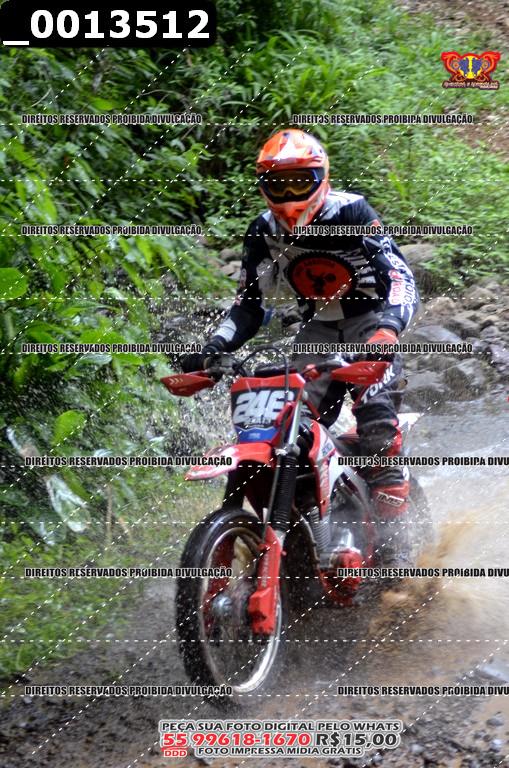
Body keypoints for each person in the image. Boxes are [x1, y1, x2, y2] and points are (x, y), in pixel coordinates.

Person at [180, 129, 419, 567]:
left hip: (370, 327)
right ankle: (306, 531)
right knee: (288, 428)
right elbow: (249, 306)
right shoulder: (263, 230)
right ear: (263, 186)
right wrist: (214, 347)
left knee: (377, 431)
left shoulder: (351, 212)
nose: (289, 195)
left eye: (298, 182)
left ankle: (398, 551)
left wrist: (387, 331)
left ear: (320, 178)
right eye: (278, 184)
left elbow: (400, 277)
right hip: (317, 331)